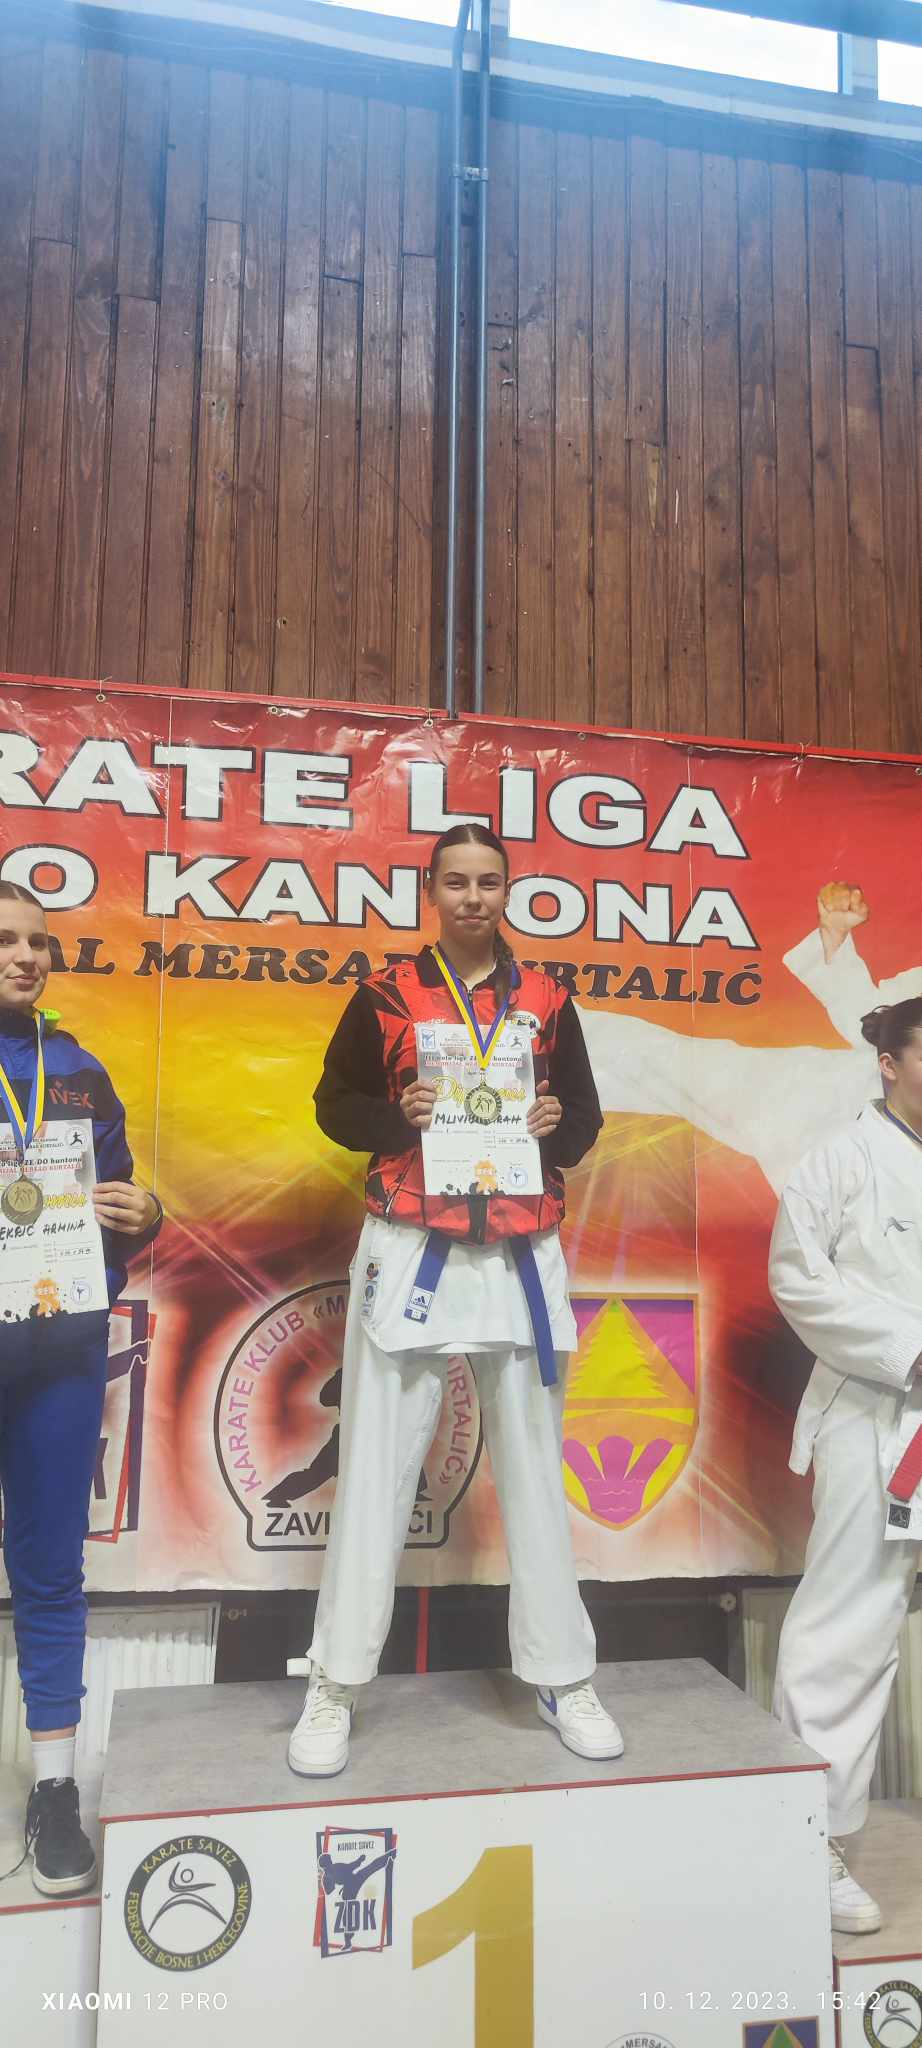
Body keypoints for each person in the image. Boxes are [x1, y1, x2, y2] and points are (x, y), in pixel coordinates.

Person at [287, 823, 621, 1775]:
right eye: (457, 882)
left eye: (490, 882)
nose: (474, 897)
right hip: (413, 1242)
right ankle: (336, 1680)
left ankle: (563, 1674)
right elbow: (334, 1105)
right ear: (430, 892)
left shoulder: (547, 997)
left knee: (535, 1473)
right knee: (376, 1471)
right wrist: (399, 1117)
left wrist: (555, 1125)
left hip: (518, 1248)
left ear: (509, 891)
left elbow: (584, 1118)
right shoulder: (387, 994)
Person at [0, 882, 161, 1896]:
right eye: (6, 941)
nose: (26, 957)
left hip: (57, 1348)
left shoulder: (78, 1069)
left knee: (50, 1567)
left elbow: (124, 1195)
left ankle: (55, 1787)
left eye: (38, 942)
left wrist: (146, 1211)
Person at [768, 995, 922, 1935]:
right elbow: (797, 1279)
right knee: (848, 1630)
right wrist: (911, 1350)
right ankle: (808, 1839)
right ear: (889, 1064)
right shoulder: (840, 1160)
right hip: (880, 1418)